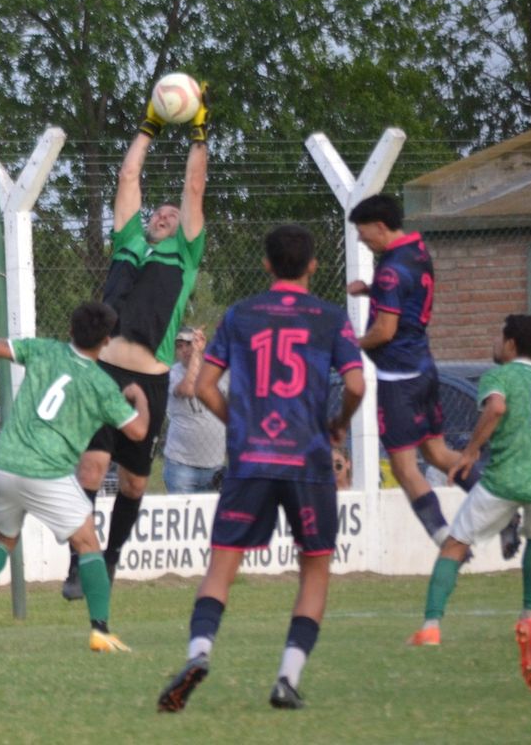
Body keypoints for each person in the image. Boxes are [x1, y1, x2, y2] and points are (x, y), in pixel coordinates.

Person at [158, 224, 364, 713]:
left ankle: (200, 653)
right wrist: (338, 423)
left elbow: (207, 386)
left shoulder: (240, 315)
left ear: (267, 265)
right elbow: (356, 385)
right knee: (313, 571)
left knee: (222, 565)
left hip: (251, 459)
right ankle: (286, 679)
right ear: (313, 266)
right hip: (309, 459)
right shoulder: (331, 318)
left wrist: (241, 426)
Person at [0, 302, 150, 653]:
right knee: (87, 544)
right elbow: (138, 432)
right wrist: (139, 398)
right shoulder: (102, 385)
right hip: (48, 471)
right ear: (106, 341)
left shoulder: (43, 350)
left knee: (3, 539)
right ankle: (100, 630)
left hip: (7, 464)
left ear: (70, 332)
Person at [66, 82, 208, 600]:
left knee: (132, 484)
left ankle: (111, 555)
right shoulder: (129, 240)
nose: (163, 216)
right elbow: (129, 175)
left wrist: (198, 133)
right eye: (158, 213)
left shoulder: (185, 255)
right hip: (103, 372)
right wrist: (149, 125)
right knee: (90, 466)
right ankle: (80, 563)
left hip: (148, 377)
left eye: (171, 217)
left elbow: (194, 190)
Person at [345, 194, 511, 555]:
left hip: (398, 380)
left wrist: (354, 342)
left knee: (405, 469)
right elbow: (409, 290)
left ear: (380, 226)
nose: (361, 240)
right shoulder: (416, 252)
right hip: (424, 369)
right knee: (438, 453)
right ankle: (502, 511)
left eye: (362, 233)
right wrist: (371, 291)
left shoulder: (389, 270)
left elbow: (385, 331)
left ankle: (445, 539)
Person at [408, 315, 531, 697]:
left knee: (454, 544)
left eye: (498, 335)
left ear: (510, 344)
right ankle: (530, 615)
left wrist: (469, 453)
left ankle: (431, 627)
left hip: (505, 479)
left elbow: (497, 409)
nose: (494, 342)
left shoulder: (497, 377)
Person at [163, 326, 226, 494]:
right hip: (181, 467)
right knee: (182, 518)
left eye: (189, 344)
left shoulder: (220, 372)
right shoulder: (172, 373)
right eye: (179, 346)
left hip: (216, 466)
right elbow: (190, 388)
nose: (184, 350)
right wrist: (196, 355)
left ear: (200, 343)